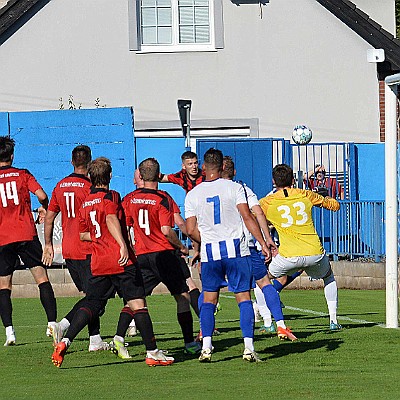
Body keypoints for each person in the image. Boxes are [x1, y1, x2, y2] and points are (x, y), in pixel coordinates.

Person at [51, 157, 173, 367]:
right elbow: (110, 218)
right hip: (118, 259)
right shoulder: (112, 195)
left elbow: (83, 235)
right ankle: (152, 352)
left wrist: (101, 238)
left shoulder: (85, 203)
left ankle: (65, 341)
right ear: (109, 176)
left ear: (91, 177)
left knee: (92, 302)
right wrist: (121, 244)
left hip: (98, 261)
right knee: (138, 304)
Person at [185, 148, 270, 363]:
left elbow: (190, 228)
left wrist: (204, 241)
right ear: (222, 167)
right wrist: (262, 242)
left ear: (203, 168)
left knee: (209, 299)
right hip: (236, 251)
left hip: (210, 253)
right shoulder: (234, 188)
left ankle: (206, 348)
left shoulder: (193, 194)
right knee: (243, 298)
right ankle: (249, 348)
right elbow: (247, 216)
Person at [122, 159, 201, 355]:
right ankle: (190, 343)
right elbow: (167, 230)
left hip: (141, 254)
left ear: (140, 176)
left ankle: (118, 337)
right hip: (163, 254)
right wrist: (182, 246)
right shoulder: (163, 198)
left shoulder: (130, 198)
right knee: (182, 296)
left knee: (135, 299)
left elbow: (126, 225)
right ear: (159, 176)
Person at [221, 156, 297, 341]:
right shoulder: (243, 189)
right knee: (264, 283)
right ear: (235, 172)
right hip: (248, 245)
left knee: (212, 292)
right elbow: (258, 213)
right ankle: (280, 325)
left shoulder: (207, 190)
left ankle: (204, 336)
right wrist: (266, 241)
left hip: (220, 248)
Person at [259, 164, 342, 331]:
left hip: (288, 256)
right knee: (328, 277)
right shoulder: (306, 194)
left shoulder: (267, 202)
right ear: (293, 180)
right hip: (314, 253)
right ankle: (333, 320)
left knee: (261, 279)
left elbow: (252, 216)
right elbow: (334, 206)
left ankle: (268, 323)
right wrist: (332, 201)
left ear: (274, 182)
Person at [42, 145, 108, 352]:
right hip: (88, 248)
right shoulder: (90, 187)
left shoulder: (60, 185)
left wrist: (48, 245)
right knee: (96, 297)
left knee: (92, 295)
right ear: (89, 164)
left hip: (69, 250)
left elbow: (50, 218)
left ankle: (95, 339)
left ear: (72, 162)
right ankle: (64, 325)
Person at [0, 136, 57, 346]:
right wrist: (45, 206)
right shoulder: (23, 174)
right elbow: (42, 195)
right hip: (26, 233)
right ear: (12, 156)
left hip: (3, 237)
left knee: (4, 286)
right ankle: (52, 324)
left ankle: (10, 333)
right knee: (42, 279)